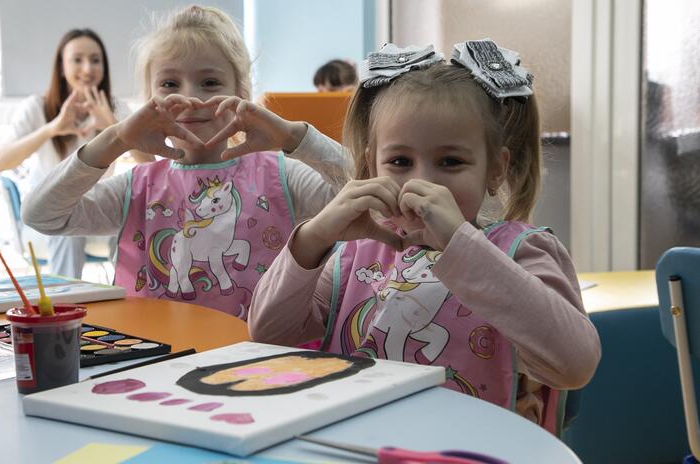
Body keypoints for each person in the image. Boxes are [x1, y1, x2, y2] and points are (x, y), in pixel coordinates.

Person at [248, 41, 601, 434]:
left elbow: (575, 364)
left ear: (496, 170)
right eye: (400, 161)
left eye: (450, 162)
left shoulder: (522, 250)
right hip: (355, 445)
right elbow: (269, 336)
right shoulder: (356, 255)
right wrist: (314, 237)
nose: (422, 181)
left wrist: (461, 242)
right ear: (371, 165)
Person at [22, 6, 351, 318]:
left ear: (242, 93)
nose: (191, 98)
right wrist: (116, 139)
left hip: (258, 364)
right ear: (149, 99)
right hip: (158, 362)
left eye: (210, 82)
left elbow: (364, 196)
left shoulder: (280, 176)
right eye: (169, 84)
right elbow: (41, 215)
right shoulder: (136, 187)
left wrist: (295, 137)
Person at [0, 28, 128, 278]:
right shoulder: (37, 107)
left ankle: (130, 303)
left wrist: (113, 125)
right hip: (47, 221)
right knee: (69, 230)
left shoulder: (116, 108)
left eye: (95, 60)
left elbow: (150, 163)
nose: (88, 69)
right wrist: (52, 128)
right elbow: (1, 162)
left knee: (131, 224)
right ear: (61, 66)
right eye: (77, 59)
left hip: (99, 214)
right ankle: (67, 306)